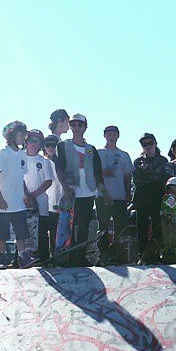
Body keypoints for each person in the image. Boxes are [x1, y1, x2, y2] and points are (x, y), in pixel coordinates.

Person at [54, 114, 111, 266]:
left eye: (80, 124)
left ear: (85, 127)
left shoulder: (91, 149)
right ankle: (67, 258)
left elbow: (98, 173)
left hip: (88, 192)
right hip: (71, 192)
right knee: (69, 226)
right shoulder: (63, 145)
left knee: (84, 225)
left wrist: (104, 194)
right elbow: (59, 168)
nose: (77, 128)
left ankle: (81, 257)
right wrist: (66, 188)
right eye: (73, 124)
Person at [0, 121, 31, 269]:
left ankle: (22, 256)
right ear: (12, 135)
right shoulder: (3, 152)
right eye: (21, 134)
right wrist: (0, 198)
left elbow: (22, 177)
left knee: (21, 231)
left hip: (17, 202)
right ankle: (1, 258)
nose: (23, 138)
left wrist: (26, 194)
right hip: (2, 203)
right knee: (1, 233)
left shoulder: (22, 155)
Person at [97, 125, 134, 261]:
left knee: (121, 228)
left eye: (114, 133)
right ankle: (104, 255)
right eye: (109, 133)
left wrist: (128, 194)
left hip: (119, 197)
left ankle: (118, 255)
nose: (111, 136)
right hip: (102, 196)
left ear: (118, 136)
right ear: (105, 136)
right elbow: (94, 173)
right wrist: (104, 173)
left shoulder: (124, 155)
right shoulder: (99, 152)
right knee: (103, 227)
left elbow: (127, 176)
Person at [132, 132, 168, 264]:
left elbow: (162, 179)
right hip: (142, 197)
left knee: (158, 226)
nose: (148, 146)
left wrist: (148, 172)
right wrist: (153, 173)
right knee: (141, 227)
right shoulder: (138, 161)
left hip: (158, 196)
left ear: (155, 143)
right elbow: (138, 180)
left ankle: (156, 254)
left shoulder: (163, 160)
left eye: (150, 143)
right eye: (144, 144)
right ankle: (142, 255)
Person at [24, 129, 54, 262]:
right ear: (26, 141)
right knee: (23, 233)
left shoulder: (44, 161)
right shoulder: (19, 158)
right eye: (31, 140)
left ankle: (43, 259)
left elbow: (48, 181)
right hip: (22, 203)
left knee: (41, 233)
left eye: (37, 141)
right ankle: (20, 258)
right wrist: (27, 196)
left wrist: (34, 196)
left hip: (41, 203)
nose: (34, 144)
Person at [43, 134, 63, 256]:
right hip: (45, 201)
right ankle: (47, 255)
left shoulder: (61, 162)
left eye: (54, 145)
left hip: (60, 200)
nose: (51, 147)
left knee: (59, 230)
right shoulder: (42, 161)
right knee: (46, 230)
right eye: (48, 145)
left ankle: (59, 255)